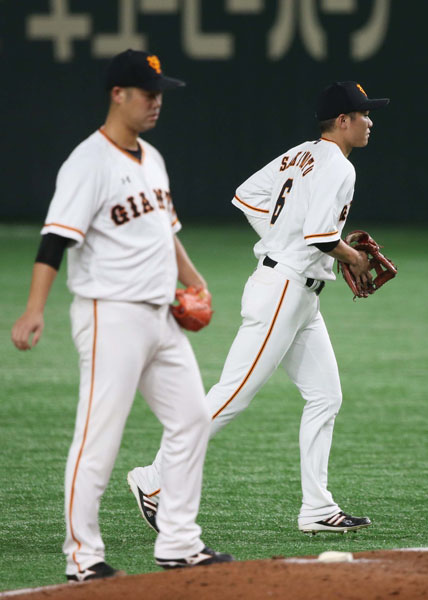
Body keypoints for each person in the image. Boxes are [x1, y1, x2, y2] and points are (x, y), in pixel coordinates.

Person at [126, 81, 389, 536]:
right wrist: (354, 257)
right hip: (283, 291)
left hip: (298, 294)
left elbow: (247, 195)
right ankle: (155, 478)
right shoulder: (338, 167)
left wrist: (279, 239)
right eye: (364, 114)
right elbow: (319, 237)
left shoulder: (299, 155)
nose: (370, 121)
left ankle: (317, 508)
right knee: (232, 394)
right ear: (343, 121)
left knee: (325, 397)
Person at [11, 48, 233, 581]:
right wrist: (34, 309)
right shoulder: (88, 162)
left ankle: (178, 542)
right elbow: (54, 239)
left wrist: (194, 279)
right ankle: (83, 556)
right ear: (118, 94)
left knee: (192, 419)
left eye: (160, 94)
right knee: (99, 437)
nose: (157, 103)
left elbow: (165, 231)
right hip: (109, 314)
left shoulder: (151, 158)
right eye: (147, 94)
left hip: (161, 316)